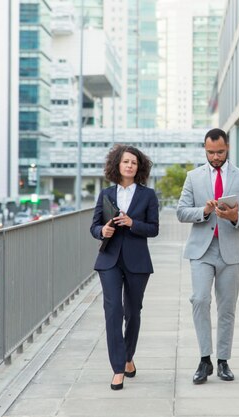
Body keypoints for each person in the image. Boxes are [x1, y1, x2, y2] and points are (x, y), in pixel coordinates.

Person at [177, 128, 239, 384]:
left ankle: (223, 361)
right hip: (201, 250)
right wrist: (203, 210)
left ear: (227, 148)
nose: (215, 157)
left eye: (220, 152)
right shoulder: (193, 177)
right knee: (200, 300)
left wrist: (235, 217)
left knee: (227, 308)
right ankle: (204, 359)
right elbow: (180, 212)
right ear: (205, 149)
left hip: (230, 251)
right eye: (210, 152)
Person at [90, 144, 159, 390]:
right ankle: (118, 368)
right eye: (125, 161)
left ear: (139, 167)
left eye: (134, 162)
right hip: (109, 259)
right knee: (113, 311)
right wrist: (103, 231)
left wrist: (132, 223)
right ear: (117, 165)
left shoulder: (148, 195)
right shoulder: (106, 193)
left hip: (137, 261)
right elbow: (94, 226)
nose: (129, 165)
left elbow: (154, 229)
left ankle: (128, 357)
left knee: (133, 312)